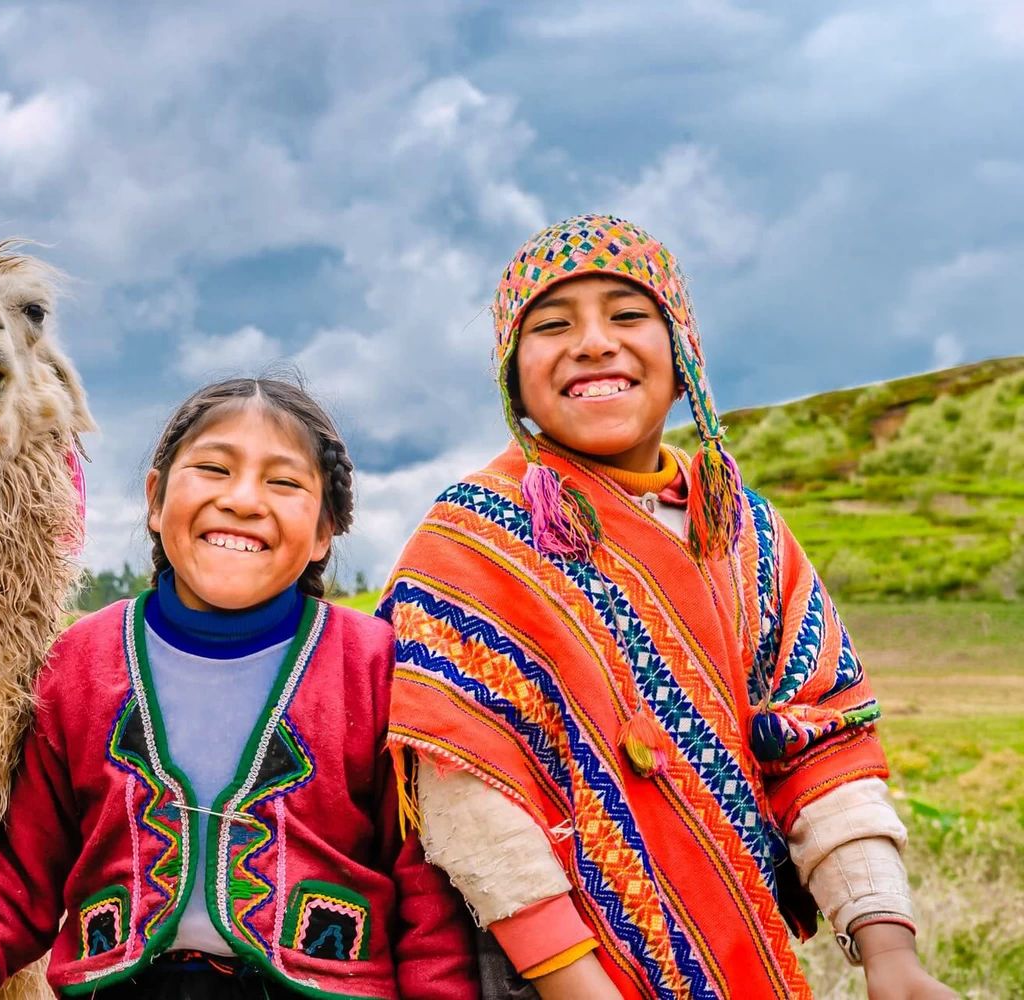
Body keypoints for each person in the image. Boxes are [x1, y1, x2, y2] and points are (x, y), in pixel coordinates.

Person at [382, 215, 952, 999]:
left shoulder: (745, 534)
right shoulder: (468, 546)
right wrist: (575, 983)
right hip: (535, 973)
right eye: (552, 326)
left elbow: (825, 744)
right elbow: (466, 788)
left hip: (734, 948)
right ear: (514, 376)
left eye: (627, 315)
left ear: (682, 355)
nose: (592, 342)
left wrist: (892, 958)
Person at [0, 376, 477, 1000]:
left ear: (324, 535)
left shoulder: (373, 668)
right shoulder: (83, 664)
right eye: (215, 470)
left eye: (282, 482)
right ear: (156, 500)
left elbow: (424, 891)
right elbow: (24, 872)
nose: (244, 499)